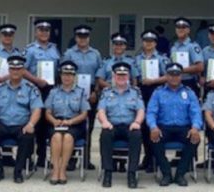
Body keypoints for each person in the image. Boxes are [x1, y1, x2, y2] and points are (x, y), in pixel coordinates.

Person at [0, 55, 42, 183]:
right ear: (9, 70)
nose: (15, 72)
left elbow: (36, 109)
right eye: (13, 69)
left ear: (23, 71)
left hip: (21, 124)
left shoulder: (31, 88)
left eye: (18, 69)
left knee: (27, 136)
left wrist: (31, 124)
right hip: (3, 124)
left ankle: (18, 171)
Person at [147, 62, 203, 187]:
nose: (174, 77)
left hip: (184, 127)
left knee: (194, 140)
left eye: (177, 75)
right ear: (166, 76)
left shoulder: (189, 92)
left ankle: (180, 174)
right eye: (171, 75)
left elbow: (196, 112)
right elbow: (151, 112)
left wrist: (195, 127)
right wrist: (153, 127)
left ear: (181, 76)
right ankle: (166, 173)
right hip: (163, 127)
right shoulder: (158, 92)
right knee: (154, 140)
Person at [62, 25, 102, 170]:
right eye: (80, 37)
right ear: (76, 38)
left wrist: (95, 92)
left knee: (89, 127)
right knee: (73, 125)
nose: (82, 39)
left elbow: (99, 74)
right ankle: (71, 159)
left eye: (85, 37)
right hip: (73, 91)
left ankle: (86, 160)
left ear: (88, 38)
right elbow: (64, 73)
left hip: (90, 91)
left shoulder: (96, 54)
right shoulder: (69, 53)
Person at [98, 61, 144, 189]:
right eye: (119, 75)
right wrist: (105, 122)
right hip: (112, 125)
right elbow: (101, 111)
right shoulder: (106, 92)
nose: (121, 78)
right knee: (105, 135)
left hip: (130, 125)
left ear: (128, 77)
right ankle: (108, 172)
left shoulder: (136, 92)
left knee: (136, 136)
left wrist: (137, 122)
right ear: (114, 76)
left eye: (124, 75)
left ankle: (132, 173)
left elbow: (140, 110)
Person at [45, 61, 90, 184]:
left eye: (70, 75)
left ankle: (63, 170)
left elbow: (84, 114)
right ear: (60, 75)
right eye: (64, 74)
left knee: (68, 138)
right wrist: (54, 121)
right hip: (56, 123)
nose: (67, 77)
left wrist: (70, 122)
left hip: (74, 123)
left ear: (74, 76)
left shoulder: (80, 92)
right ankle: (55, 170)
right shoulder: (53, 92)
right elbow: (48, 112)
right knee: (57, 137)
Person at [24, 19, 60, 168]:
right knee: (34, 123)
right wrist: (36, 80)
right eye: (41, 30)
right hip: (34, 89)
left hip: (50, 90)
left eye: (46, 30)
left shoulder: (55, 49)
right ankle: (28, 158)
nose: (44, 33)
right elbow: (23, 69)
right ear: (36, 32)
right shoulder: (30, 49)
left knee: (47, 124)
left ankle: (43, 157)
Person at [134, 29, 170, 173]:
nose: (148, 44)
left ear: (155, 43)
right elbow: (135, 78)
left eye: (151, 41)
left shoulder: (162, 58)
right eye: (146, 41)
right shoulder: (137, 59)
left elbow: (168, 76)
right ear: (142, 43)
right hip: (142, 92)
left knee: (154, 125)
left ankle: (155, 159)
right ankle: (147, 158)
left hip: (157, 92)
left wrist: (153, 80)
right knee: (143, 127)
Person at [170, 17, 204, 96]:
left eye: (183, 27)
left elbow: (200, 67)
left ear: (188, 30)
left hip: (189, 82)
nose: (180, 29)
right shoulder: (173, 47)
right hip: (174, 83)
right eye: (178, 27)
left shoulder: (193, 46)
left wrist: (179, 70)